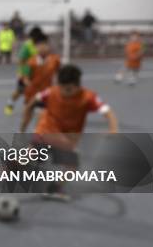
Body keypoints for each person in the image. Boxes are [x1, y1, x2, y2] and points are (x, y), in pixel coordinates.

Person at [20, 64, 118, 197]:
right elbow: (32, 103)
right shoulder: (51, 92)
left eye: (68, 89)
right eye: (61, 87)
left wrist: (113, 129)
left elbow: (108, 112)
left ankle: (52, 188)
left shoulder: (88, 97)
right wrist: (25, 120)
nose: (64, 92)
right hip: (46, 130)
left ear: (77, 85)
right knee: (72, 160)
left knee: (66, 164)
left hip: (64, 136)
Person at [4, 26, 44, 116]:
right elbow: (21, 60)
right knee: (19, 91)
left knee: (38, 90)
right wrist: (21, 73)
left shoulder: (42, 44)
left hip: (37, 73)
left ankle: (37, 106)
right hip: (26, 72)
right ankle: (10, 103)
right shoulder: (27, 45)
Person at [22, 33, 60, 103]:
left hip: (49, 93)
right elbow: (25, 78)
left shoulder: (55, 60)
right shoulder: (30, 62)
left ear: (48, 46)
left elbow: (59, 74)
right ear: (35, 47)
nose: (42, 48)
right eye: (39, 46)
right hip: (33, 95)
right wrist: (31, 87)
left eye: (44, 45)